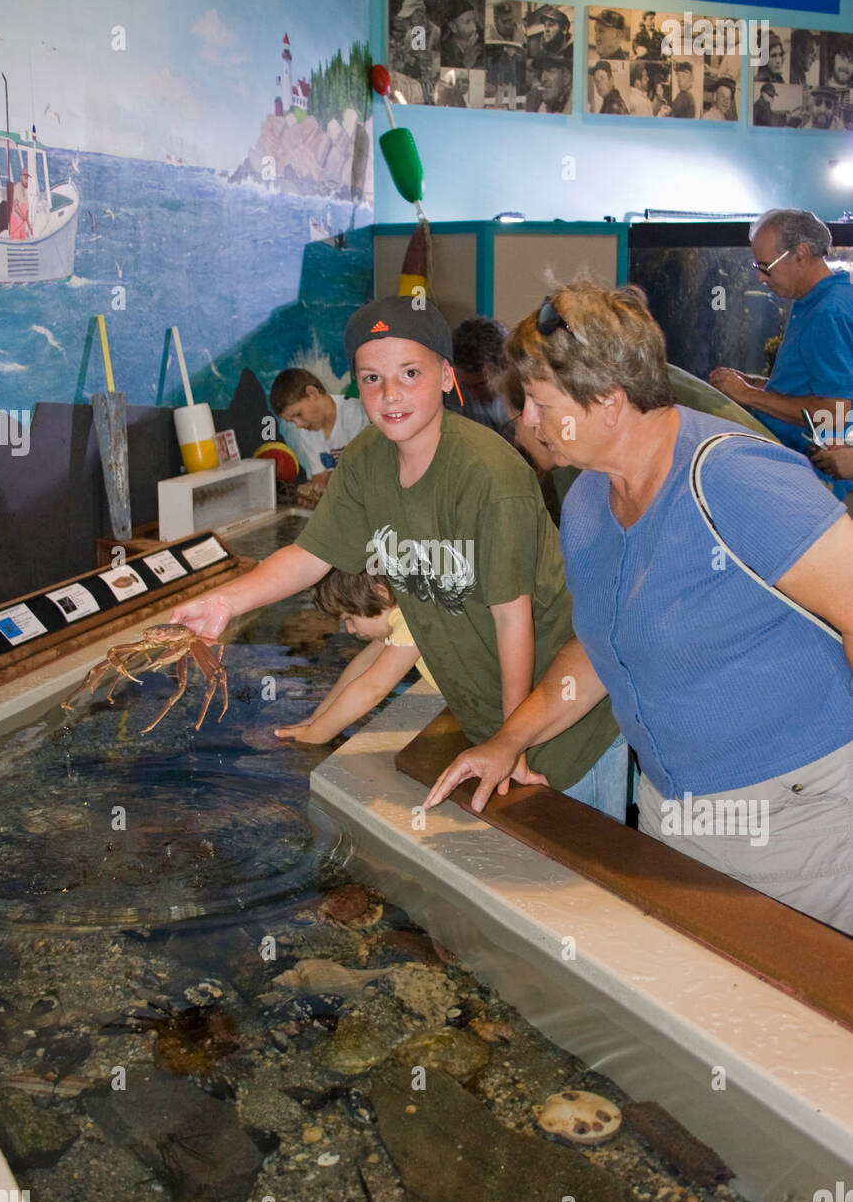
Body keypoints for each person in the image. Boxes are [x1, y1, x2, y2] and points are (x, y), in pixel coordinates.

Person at [425, 281, 853, 934]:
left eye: (539, 404)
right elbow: (601, 650)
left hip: (799, 822)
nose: (527, 424)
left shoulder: (732, 479)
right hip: (675, 818)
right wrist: (509, 740)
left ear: (609, 401)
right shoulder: (589, 502)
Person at [173, 296, 625, 819]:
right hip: (494, 723)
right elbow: (309, 556)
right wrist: (225, 602)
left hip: (566, 726)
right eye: (371, 378)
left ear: (446, 375)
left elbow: (511, 618)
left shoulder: (487, 476)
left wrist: (511, 742)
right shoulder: (366, 459)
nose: (390, 394)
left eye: (410, 372)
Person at [708, 208, 853, 504]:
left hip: (814, 483)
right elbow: (812, 386)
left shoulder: (829, 312)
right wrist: (755, 383)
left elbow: (836, 411)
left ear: (801, 253)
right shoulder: (814, 302)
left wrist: (750, 396)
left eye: (765, 266)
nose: (760, 278)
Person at [273, 568, 439, 745]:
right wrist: (317, 718)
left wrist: (317, 735)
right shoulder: (408, 608)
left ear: (381, 593)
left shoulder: (411, 622)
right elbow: (364, 664)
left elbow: (372, 688)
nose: (351, 629)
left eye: (349, 618)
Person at [270, 367, 368, 499]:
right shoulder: (308, 432)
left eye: (298, 414)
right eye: (292, 421)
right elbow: (320, 476)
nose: (299, 425)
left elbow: (361, 472)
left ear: (313, 393)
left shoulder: (354, 413)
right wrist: (312, 495)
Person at [444, 316, 516, 442]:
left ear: (505, 367)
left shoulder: (524, 395)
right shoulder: (453, 391)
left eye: (481, 385)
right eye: (466, 386)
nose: (473, 395)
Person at [441, 0, 483, 70]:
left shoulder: (480, 46)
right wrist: (465, 64)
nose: (474, 28)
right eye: (467, 22)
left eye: (474, 21)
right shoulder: (443, 53)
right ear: (453, 27)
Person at [9, 168, 32, 240]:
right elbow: (16, 207)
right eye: (25, 178)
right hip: (16, 222)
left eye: (27, 178)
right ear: (21, 177)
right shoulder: (17, 187)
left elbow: (26, 212)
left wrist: (29, 227)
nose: (27, 181)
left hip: (22, 224)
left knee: (23, 242)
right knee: (15, 242)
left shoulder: (25, 191)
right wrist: (24, 217)